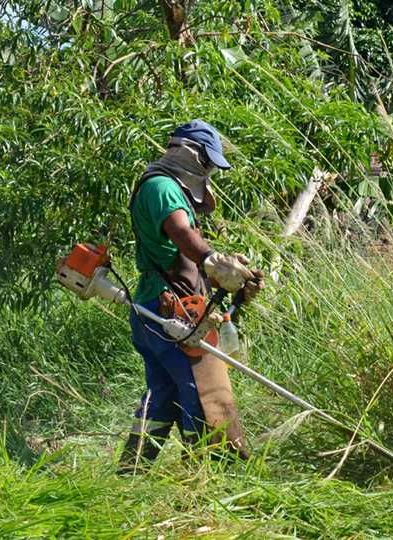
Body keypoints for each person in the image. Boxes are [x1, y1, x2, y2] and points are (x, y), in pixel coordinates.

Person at [119, 119, 263, 474]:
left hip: (160, 310)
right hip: (170, 313)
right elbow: (182, 233)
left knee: (163, 398)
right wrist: (212, 260)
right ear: (192, 154)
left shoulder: (163, 186)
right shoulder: (162, 187)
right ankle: (208, 481)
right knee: (204, 395)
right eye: (209, 162)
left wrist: (231, 279)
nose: (210, 170)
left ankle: (129, 474)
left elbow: (185, 254)